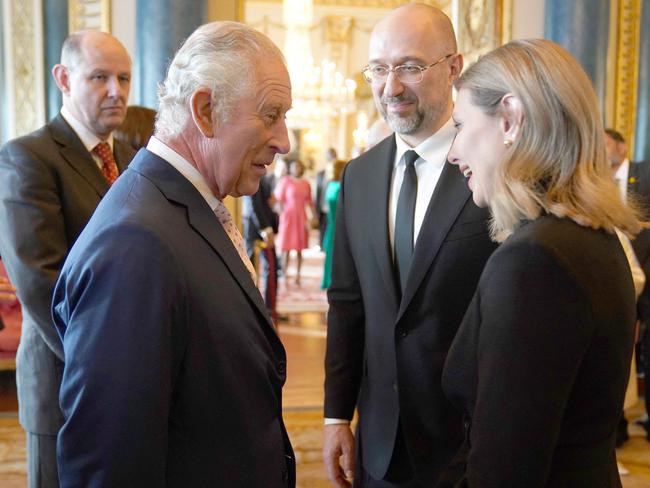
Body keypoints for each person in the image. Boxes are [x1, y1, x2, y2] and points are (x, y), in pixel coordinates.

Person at [51, 21, 295, 487]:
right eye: (270, 114)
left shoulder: (180, 210)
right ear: (205, 110)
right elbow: (109, 466)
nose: (283, 139)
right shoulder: (135, 244)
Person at [441, 38, 641, 487]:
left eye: (460, 125)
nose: (454, 152)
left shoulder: (535, 262)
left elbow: (505, 469)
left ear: (509, 119)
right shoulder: (594, 237)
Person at [323, 4, 497, 487]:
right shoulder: (358, 176)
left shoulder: (492, 170)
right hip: (379, 444)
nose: (390, 87)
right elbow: (347, 303)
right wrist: (337, 416)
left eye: (410, 67)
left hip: (468, 444)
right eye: (379, 69)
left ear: (454, 68)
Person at [0, 30, 133, 488]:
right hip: (65, 381)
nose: (116, 91)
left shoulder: (135, 161)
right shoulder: (28, 158)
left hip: (135, 380)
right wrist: (105, 365)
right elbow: (41, 283)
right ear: (63, 78)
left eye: (124, 78)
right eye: (99, 77)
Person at [605, 127, 650, 444]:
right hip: (617, 275)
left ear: (622, 147)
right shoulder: (593, 181)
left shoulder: (644, 174)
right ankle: (616, 424)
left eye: (605, 144)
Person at [243, 161, 281, 323]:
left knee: (272, 269)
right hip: (256, 230)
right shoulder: (251, 170)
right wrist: (265, 229)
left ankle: (268, 308)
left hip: (264, 227)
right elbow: (253, 204)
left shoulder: (266, 175)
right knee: (253, 270)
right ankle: (259, 310)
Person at [275, 159, 314, 286]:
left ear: (301, 168)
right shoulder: (285, 182)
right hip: (288, 218)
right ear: (290, 169)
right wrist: (281, 213)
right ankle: (284, 274)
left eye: (298, 166)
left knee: (299, 248)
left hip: (301, 217)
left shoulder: (306, 183)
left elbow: (310, 203)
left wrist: (313, 217)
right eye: (293, 167)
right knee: (285, 248)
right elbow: (278, 200)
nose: (296, 169)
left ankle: (298, 275)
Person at [321, 159, 346, 289]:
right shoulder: (341, 187)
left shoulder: (331, 185)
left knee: (331, 253)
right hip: (339, 224)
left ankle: (328, 280)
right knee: (336, 254)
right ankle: (333, 280)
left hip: (331, 223)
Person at [316, 147, 337, 247]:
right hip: (322, 205)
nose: (330, 157)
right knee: (322, 227)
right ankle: (321, 246)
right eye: (329, 155)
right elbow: (318, 192)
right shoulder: (320, 174)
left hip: (333, 206)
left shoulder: (338, 173)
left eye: (332, 155)